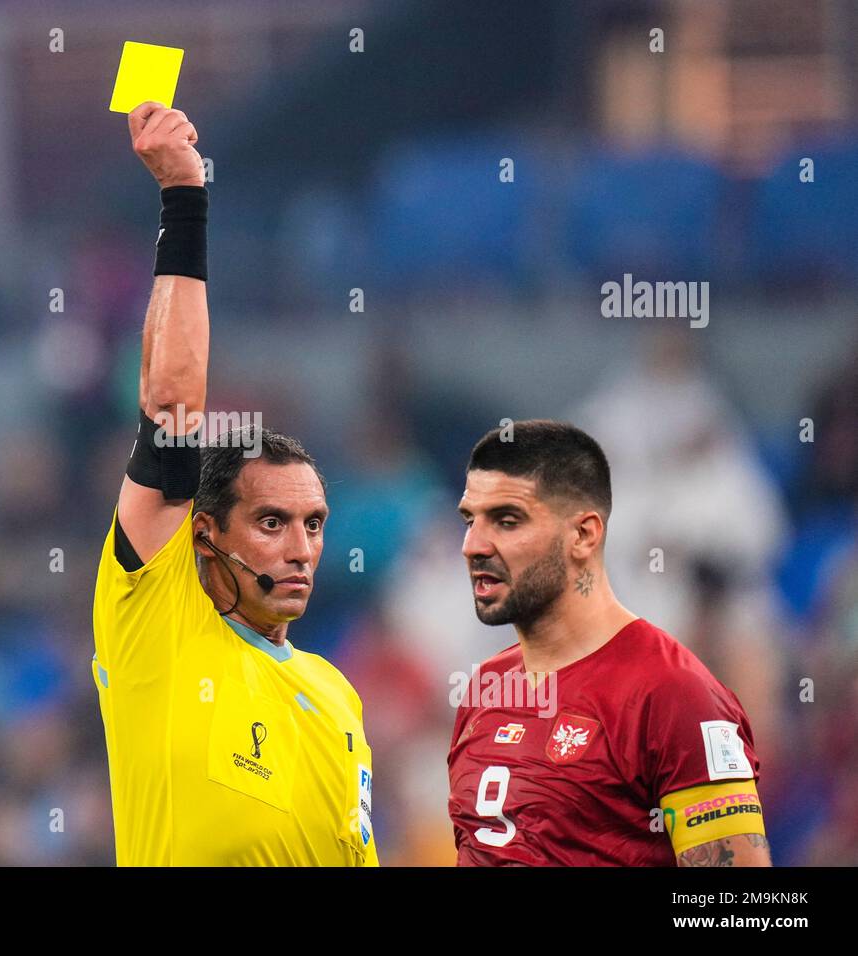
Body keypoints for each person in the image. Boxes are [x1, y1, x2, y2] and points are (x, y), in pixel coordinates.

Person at [91, 102, 377, 866]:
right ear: (205, 535)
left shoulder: (336, 696)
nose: (301, 548)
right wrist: (185, 203)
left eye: (314, 524)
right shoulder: (160, 614)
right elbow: (174, 400)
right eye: (273, 522)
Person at [448, 420, 770, 866]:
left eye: (506, 521)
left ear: (583, 535)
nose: (474, 546)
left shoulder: (673, 694)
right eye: (470, 520)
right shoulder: (484, 690)